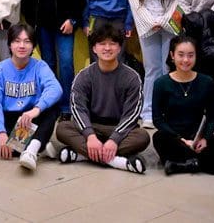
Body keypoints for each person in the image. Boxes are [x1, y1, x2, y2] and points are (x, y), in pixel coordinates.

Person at [54, 23, 149, 174]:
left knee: (142, 136)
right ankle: (117, 161)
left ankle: (82, 155)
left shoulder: (131, 77)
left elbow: (132, 114)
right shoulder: (84, 76)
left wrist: (114, 139)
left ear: (119, 48)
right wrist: (90, 136)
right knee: (62, 128)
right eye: (102, 44)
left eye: (112, 44)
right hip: (93, 126)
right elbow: (78, 109)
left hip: (118, 128)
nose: (107, 48)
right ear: (94, 48)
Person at [0, 24, 62, 171]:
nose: (22, 46)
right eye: (17, 41)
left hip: (29, 119)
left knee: (52, 109)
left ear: (33, 46)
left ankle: (30, 150)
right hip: (8, 118)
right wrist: (0, 132)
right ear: (9, 44)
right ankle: (38, 145)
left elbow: (55, 89)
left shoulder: (40, 66)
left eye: (27, 41)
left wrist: (36, 110)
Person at [22, 0, 85, 118]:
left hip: (65, 26)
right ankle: (50, 105)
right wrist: (31, 22)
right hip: (42, 26)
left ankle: (67, 106)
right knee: (48, 65)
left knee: (66, 64)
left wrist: (72, 20)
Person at [127, 0, 185, 128]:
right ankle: (148, 113)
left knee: (168, 68)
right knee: (151, 69)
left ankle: (167, 111)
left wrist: (166, 19)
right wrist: (149, 20)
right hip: (147, 25)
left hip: (170, 25)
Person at [152, 36, 214, 175]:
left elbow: (213, 116)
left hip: (198, 136)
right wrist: (180, 139)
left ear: (196, 56)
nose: (186, 60)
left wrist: (205, 138)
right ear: (172, 55)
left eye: (190, 55)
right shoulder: (161, 83)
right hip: (174, 137)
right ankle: (197, 162)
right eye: (181, 55)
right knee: (159, 138)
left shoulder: (207, 82)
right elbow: (157, 119)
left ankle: (182, 164)